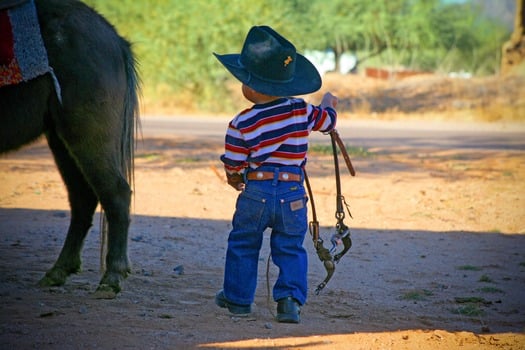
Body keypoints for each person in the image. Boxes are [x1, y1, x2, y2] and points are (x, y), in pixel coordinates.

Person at [213, 25, 338, 324]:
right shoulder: (302, 110)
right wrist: (330, 104)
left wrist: (236, 180)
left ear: (251, 87)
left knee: (243, 242)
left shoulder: (241, 122)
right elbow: (328, 122)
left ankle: (239, 300)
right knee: (290, 247)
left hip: (255, 193)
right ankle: (289, 302)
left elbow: (234, 164)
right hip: (292, 194)